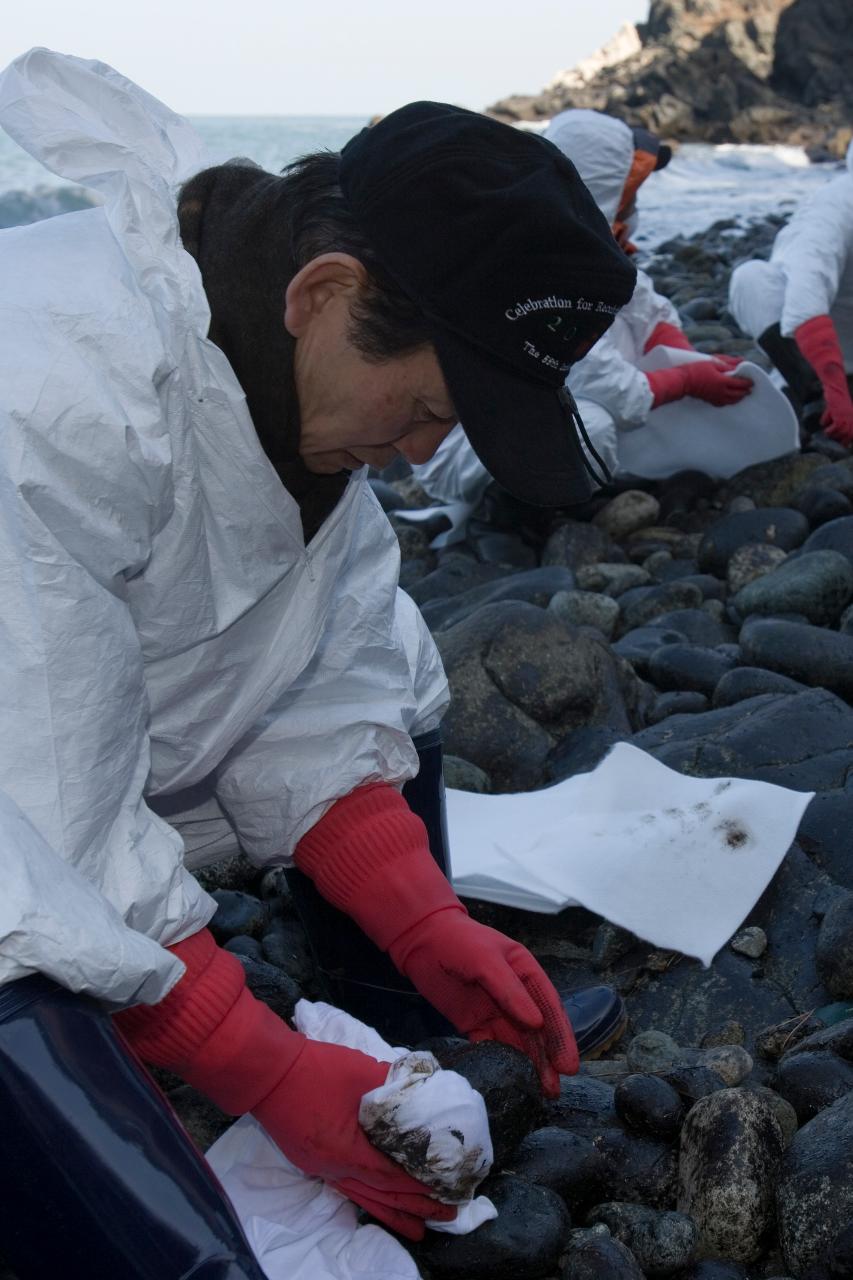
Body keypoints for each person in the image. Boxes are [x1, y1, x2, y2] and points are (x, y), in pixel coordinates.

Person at [0, 50, 636, 1278]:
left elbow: (322, 669)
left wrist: (418, 912)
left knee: (393, 644)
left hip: (78, 746)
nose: (420, 451)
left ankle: (382, 1008)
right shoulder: (52, 397)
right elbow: (37, 793)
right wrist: (253, 1060)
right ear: (326, 290)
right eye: (430, 407)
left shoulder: (295, 390)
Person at [412, 108, 754, 515]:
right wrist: (686, 381)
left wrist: (687, 357)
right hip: (462, 445)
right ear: (601, 192)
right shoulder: (529, 260)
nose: (634, 206)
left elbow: (645, 305)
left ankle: (555, 481)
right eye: (630, 191)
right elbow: (598, 378)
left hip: (528, 410)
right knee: (592, 427)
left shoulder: (587, 247)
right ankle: (511, 509)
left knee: (619, 369)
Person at [728, 141, 853, 448]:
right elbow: (806, 289)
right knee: (752, 280)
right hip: (825, 355)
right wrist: (834, 387)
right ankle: (814, 395)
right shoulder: (838, 201)